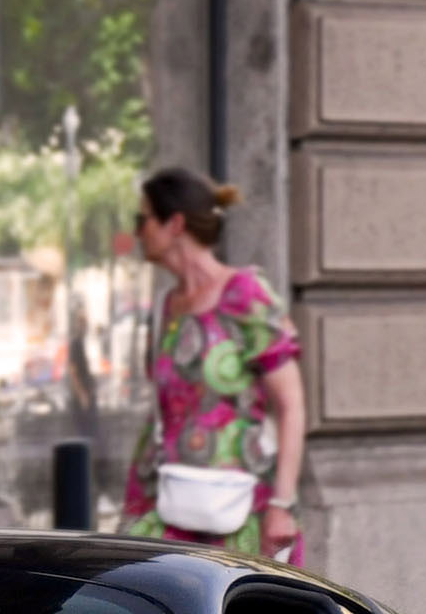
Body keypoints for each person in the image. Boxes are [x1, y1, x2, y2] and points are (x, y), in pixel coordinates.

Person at [121, 168, 309, 564]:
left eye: (143, 220)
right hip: (166, 504)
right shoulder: (162, 310)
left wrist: (282, 504)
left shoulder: (245, 294)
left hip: (243, 512)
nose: (137, 232)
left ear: (175, 224)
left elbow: (290, 405)